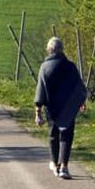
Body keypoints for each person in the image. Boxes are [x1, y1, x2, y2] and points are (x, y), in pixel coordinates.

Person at [33, 36, 87, 179]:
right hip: (68, 107)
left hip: (52, 108)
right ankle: (64, 166)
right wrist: (81, 102)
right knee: (66, 136)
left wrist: (38, 111)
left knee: (53, 135)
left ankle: (55, 164)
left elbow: (40, 90)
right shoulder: (70, 66)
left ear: (49, 50)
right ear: (62, 50)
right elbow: (80, 88)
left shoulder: (45, 67)